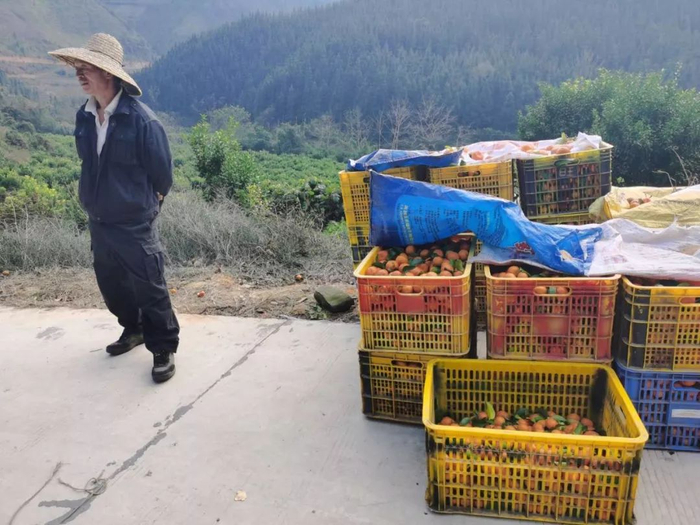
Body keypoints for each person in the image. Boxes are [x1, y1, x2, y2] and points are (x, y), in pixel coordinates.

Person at [49, 34, 179, 383]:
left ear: (107, 72)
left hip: (134, 221)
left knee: (149, 284)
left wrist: (145, 207)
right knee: (112, 284)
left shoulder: (142, 121)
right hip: (99, 219)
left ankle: (162, 347)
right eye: (77, 67)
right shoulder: (85, 115)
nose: (79, 73)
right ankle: (133, 329)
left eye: (86, 67)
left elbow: (162, 176)